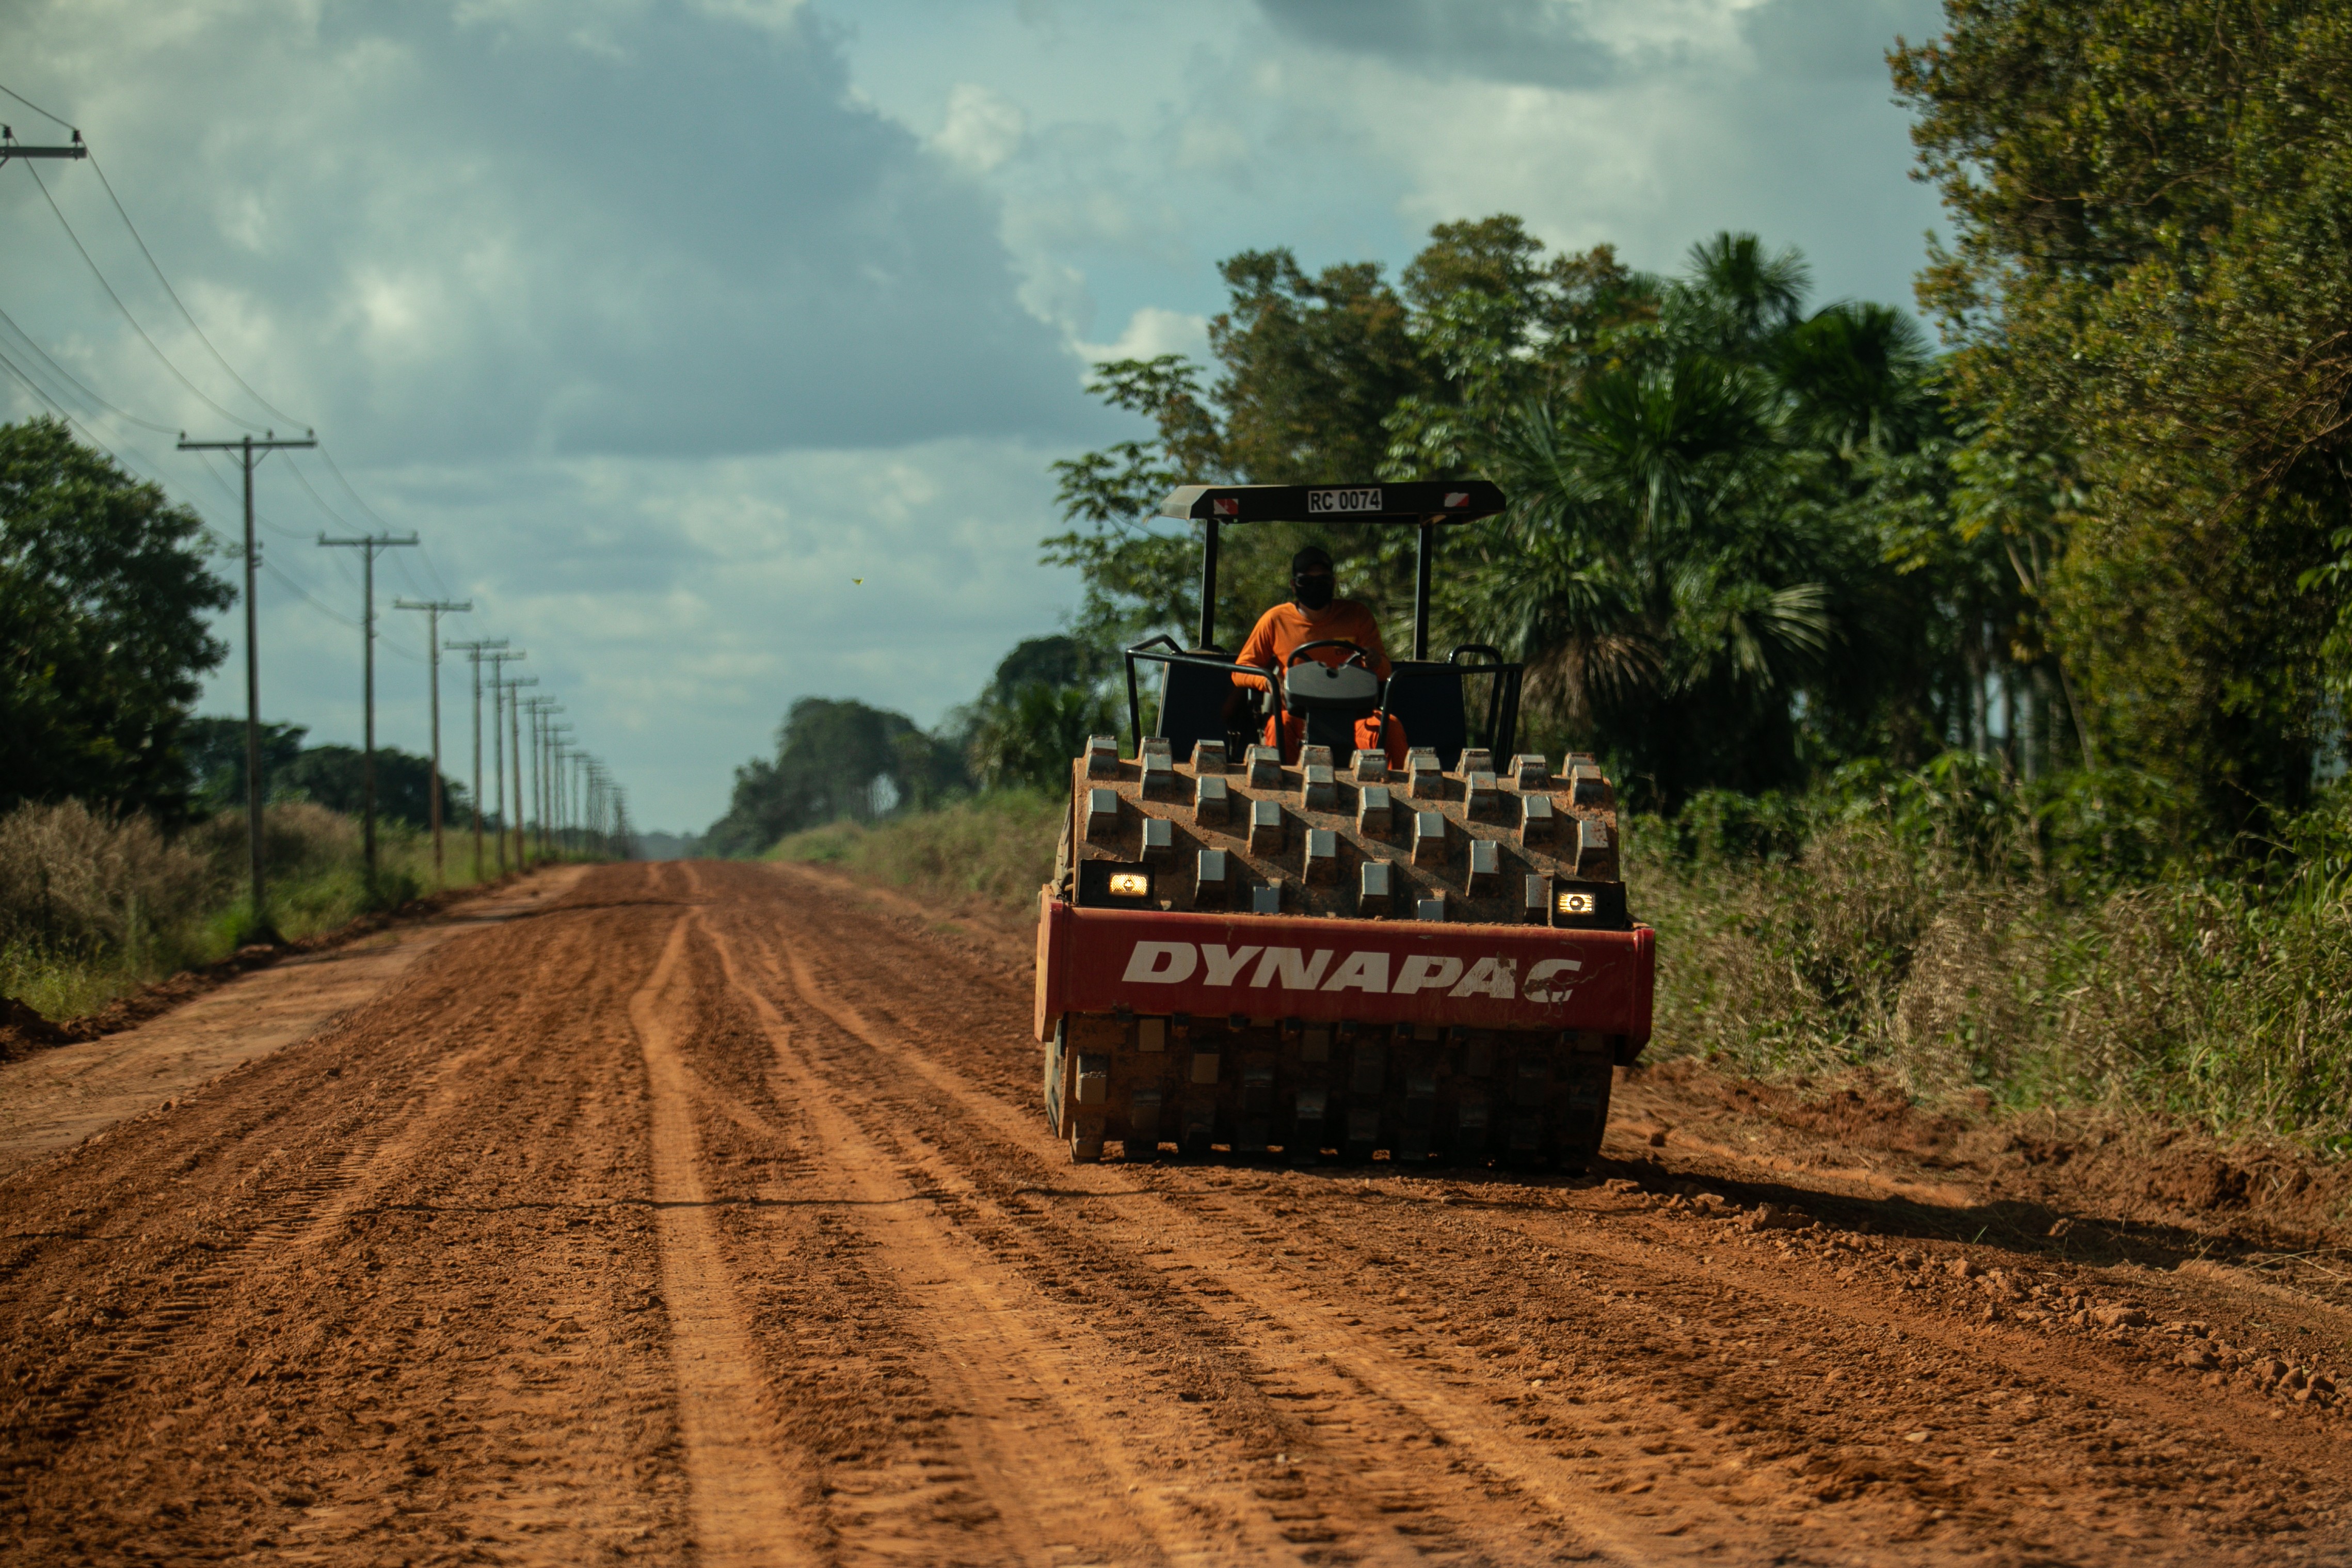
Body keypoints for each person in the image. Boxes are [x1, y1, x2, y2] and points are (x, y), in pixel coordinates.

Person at [1225, 545, 1410, 765]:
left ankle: (1399, 790)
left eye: (1322, 580)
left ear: (1332, 582)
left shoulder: (1357, 615)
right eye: (1307, 581)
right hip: (1299, 716)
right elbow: (1241, 670)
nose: (1315, 586)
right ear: (1294, 586)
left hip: (1354, 716)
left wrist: (1375, 662)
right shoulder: (1275, 620)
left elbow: (1384, 671)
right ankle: (1283, 789)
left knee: (1390, 726)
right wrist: (1271, 681)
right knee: (1277, 727)